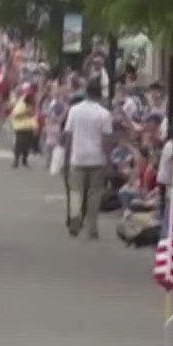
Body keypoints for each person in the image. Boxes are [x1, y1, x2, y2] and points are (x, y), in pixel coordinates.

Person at [63, 83, 116, 239]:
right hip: (96, 158)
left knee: (76, 191)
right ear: (99, 95)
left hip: (78, 157)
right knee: (94, 194)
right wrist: (108, 159)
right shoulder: (104, 114)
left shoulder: (74, 110)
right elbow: (107, 139)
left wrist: (66, 158)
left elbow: (69, 135)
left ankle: (75, 221)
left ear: (86, 93)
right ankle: (92, 228)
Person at [10, 90, 39, 169]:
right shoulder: (21, 105)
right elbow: (14, 114)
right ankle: (16, 161)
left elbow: (33, 117)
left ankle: (24, 161)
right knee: (19, 144)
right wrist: (25, 112)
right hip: (20, 127)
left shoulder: (32, 106)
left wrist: (35, 127)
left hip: (29, 128)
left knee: (27, 145)